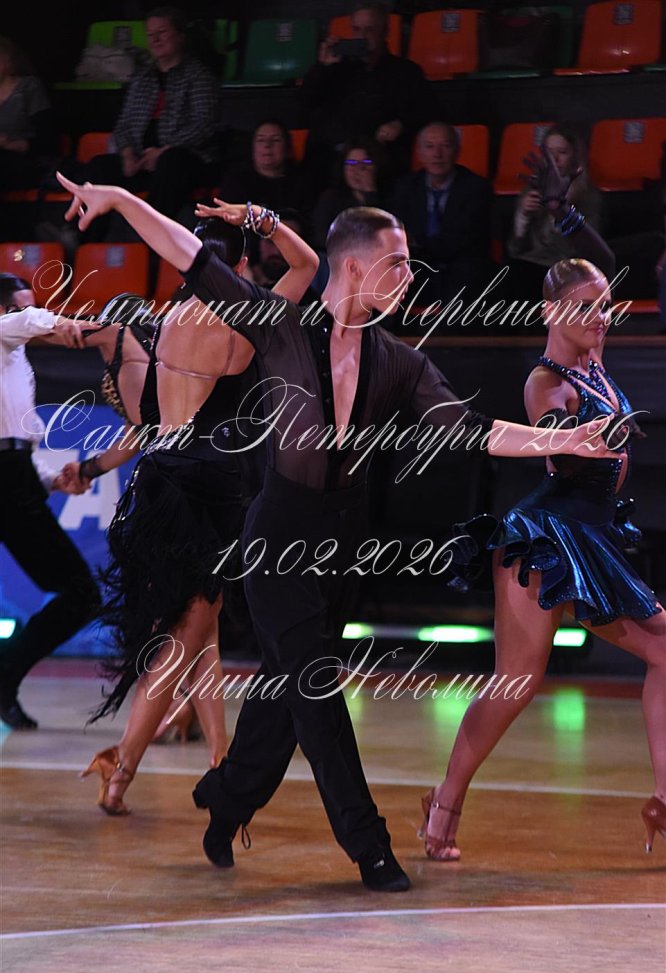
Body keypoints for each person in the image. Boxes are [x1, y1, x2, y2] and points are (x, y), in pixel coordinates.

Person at [56, 171, 616, 893]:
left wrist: (561, 441)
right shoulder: (280, 327)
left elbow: (469, 429)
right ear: (353, 267)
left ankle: (225, 798)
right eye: (398, 261)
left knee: (284, 706)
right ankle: (369, 846)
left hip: (343, 546)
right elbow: (192, 257)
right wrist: (121, 199)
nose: (409, 275)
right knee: (318, 693)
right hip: (276, 540)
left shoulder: (399, 360)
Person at [70, 207, 319, 816]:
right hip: (208, 493)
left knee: (201, 631)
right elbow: (308, 264)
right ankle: (121, 765)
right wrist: (261, 218)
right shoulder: (243, 319)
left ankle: (217, 755)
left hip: (158, 486)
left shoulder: (169, 319)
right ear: (240, 264)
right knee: (183, 641)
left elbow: (148, 423)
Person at [418, 255, 665, 860]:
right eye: (585, 308)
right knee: (516, 683)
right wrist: (576, 435)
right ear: (551, 313)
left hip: (591, 536)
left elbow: (597, 264)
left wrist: (569, 221)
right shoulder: (546, 383)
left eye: (604, 305)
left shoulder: (592, 356)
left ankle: (664, 797)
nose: (601, 317)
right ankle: (445, 801)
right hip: (548, 542)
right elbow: (553, 434)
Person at [0, 274, 101, 728]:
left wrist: (52, 480)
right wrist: (62, 323)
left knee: (82, 594)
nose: (29, 315)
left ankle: (5, 675)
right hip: (6, 479)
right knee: (82, 593)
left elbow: (14, 442)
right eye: (20, 306)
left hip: (13, 478)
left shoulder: (16, 356)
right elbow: (25, 322)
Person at [81, 6, 220, 240]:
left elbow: (204, 125)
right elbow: (123, 125)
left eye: (162, 32)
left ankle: (151, 241)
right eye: (150, 34)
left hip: (185, 159)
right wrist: (127, 153)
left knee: (171, 162)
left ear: (180, 36)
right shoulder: (141, 78)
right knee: (99, 167)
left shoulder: (198, 76)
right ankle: (84, 241)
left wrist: (164, 150)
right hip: (140, 159)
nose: (155, 39)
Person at [301, 3, 439, 183]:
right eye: (357, 29)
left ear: (385, 32)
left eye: (370, 30)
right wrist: (322, 67)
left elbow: (430, 112)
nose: (362, 36)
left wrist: (401, 124)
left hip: (381, 161)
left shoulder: (406, 72)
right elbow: (304, 103)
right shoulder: (335, 68)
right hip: (333, 159)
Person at [390, 121, 494, 311]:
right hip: (417, 265)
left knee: (469, 276)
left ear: (457, 151)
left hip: (459, 267)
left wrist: (417, 242)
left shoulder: (477, 188)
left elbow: (464, 240)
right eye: (429, 147)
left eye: (445, 146)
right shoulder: (405, 187)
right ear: (419, 153)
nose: (437, 154)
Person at [507, 124, 605, 301]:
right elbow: (514, 249)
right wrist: (523, 217)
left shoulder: (588, 197)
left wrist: (562, 212)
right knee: (509, 274)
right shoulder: (532, 191)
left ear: (575, 157)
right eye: (549, 152)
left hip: (566, 269)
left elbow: (586, 252)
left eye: (562, 152)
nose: (554, 159)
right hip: (530, 264)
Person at [218, 120, 316, 215]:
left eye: (276, 140)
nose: (267, 145)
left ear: (287, 148)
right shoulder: (236, 179)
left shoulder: (302, 181)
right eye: (261, 140)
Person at [0, 36, 57, 197]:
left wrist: (12, 144)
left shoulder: (29, 88)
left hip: (26, 161)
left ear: (8, 61)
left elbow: (48, 139)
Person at [313, 136, 385, 250]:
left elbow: (384, 234)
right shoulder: (330, 198)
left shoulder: (388, 197)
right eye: (351, 163)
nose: (358, 169)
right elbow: (321, 237)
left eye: (365, 162)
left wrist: (370, 193)